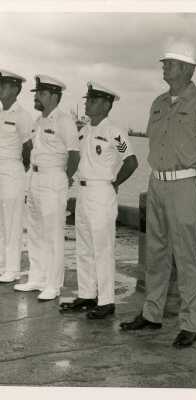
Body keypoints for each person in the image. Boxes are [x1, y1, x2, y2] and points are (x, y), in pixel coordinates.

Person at [120, 40, 196, 348]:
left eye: (169, 63)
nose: (164, 67)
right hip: (157, 183)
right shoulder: (158, 102)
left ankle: (190, 324)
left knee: (187, 257)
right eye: (164, 63)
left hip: (184, 185)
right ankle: (152, 314)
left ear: (187, 69)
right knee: (156, 253)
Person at [59, 81, 138, 319]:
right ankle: (86, 294)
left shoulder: (115, 133)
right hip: (83, 194)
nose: (87, 103)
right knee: (83, 248)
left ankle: (106, 301)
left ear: (106, 104)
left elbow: (132, 161)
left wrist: (114, 183)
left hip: (102, 193)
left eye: (92, 100)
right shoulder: (83, 131)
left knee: (102, 249)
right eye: (87, 99)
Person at [14, 75, 80, 301]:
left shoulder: (65, 121)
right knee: (34, 231)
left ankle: (53, 284)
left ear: (54, 96)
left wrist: (65, 178)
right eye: (37, 94)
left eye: (41, 94)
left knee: (52, 234)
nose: (37, 97)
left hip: (53, 180)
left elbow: (74, 155)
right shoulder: (39, 121)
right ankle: (37, 277)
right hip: (35, 177)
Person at [0, 70, 33, 283]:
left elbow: (28, 148)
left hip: (13, 170)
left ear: (14, 89)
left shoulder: (22, 115)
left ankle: (12, 269)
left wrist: (20, 168)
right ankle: (2, 265)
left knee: (12, 222)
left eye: (2, 85)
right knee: (1, 223)